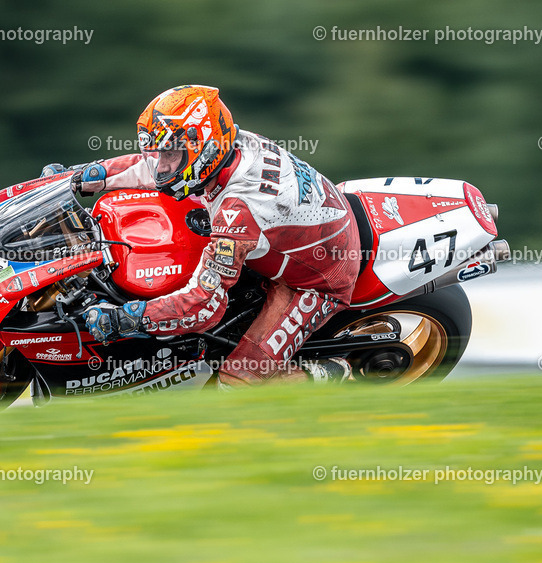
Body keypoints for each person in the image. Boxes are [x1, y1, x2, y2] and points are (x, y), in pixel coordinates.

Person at [75, 85, 361, 384]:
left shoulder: (239, 209)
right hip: (294, 229)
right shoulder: (228, 146)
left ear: (205, 148)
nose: (161, 165)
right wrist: (80, 178)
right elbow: (147, 168)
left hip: (317, 280)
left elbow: (204, 306)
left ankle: (330, 374)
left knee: (236, 384)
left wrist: (128, 318)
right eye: (158, 153)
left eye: (169, 153)